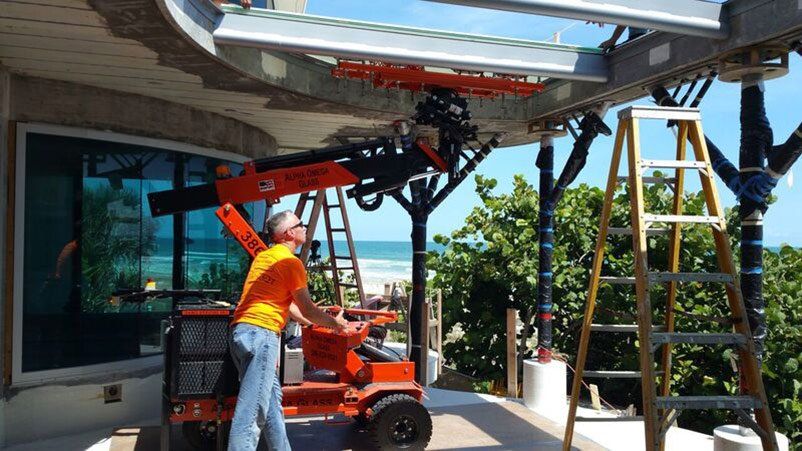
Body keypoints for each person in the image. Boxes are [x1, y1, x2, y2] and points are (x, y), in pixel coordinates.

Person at [228, 210, 348, 451]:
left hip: (242, 332)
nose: (305, 228)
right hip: (262, 335)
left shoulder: (265, 257)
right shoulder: (291, 263)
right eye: (300, 225)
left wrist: (311, 323)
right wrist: (336, 323)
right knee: (250, 416)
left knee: (271, 404)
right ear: (288, 233)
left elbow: (290, 306)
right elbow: (308, 308)